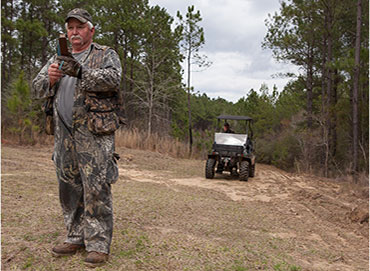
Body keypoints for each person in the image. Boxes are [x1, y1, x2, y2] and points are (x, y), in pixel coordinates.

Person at [32, 8, 122, 267]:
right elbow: (36, 88)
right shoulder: (56, 58)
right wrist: (49, 79)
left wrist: (80, 71)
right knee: (68, 187)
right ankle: (75, 236)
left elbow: (113, 80)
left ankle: (98, 244)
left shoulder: (105, 55)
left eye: (80, 27)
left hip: (93, 134)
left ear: (91, 31)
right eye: (70, 28)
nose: (74, 32)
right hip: (63, 134)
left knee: (96, 188)